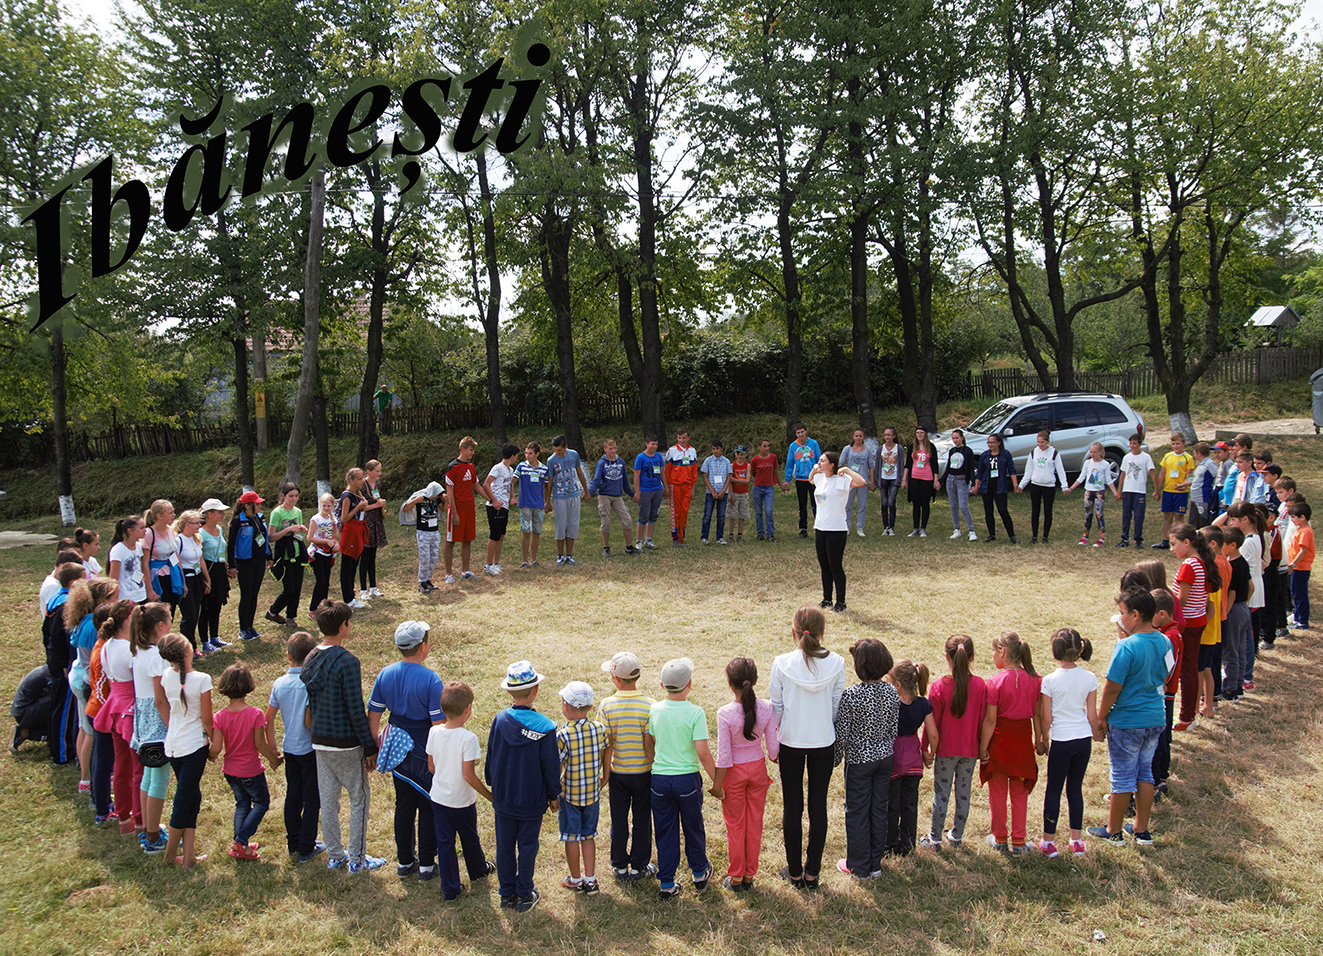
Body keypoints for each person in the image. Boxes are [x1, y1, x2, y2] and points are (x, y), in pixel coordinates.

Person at [301, 599, 383, 872]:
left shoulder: (311, 657)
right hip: (346, 744)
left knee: (329, 800)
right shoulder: (347, 661)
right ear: (343, 626)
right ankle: (357, 860)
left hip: (320, 741)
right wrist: (369, 747)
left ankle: (336, 855)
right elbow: (354, 707)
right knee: (359, 799)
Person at [770, 606, 846, 889]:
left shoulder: (781, 663)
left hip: (790, 739)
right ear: (822, 632)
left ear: (794, 631)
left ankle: (794, 871)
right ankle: (812, 871)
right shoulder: (836, 663)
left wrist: (776, 735)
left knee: (792, 806)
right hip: (823, 740)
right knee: (818, 805)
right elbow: (836, 704)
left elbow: (776, 706)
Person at [1087, 588, 1170, 847]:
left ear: (1135, 614)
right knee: (1145, 773)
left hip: (1127, 721)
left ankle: (1113, 831)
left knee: (1122, 775)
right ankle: (1141, 829)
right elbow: (1166, 674)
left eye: (1122, 613)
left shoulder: (1126, 646)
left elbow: (1113, 686)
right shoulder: (1164, 641)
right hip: (1156, 716)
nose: (1120, 618)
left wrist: (1101, 716)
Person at [368, 620, 444, 880]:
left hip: (396, 747)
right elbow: (438, 725)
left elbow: (374, 716)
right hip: (424, 747)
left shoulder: (385, 674)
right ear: (423, 646)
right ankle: (426, 864)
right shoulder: (431, 679)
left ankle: (404, 861)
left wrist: (375, 747)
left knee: (404, 804)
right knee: (427, 804)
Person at [486, 661, 562, 913]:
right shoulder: (546, 727)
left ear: (509, 691)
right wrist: (554, 795)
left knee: (504, 845)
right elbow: (551, 766)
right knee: (528, 846)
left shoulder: (499, 720)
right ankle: (525, 892)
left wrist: (492, 782)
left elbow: (491, 755)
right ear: (536, 690)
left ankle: (506, 893)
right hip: (532, 800)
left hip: (504, 797)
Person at [646, 657, 717, 900]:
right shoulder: (695, 713)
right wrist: (717, 780)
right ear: (690, 685)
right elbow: (703, 753)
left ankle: (667, 883)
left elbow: (652, 740)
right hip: (687, 779)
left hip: (660, 781)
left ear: (661, 685)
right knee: (693, 827)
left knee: (665, 830)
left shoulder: (654, 709)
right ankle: (699, 873)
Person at [832, 639, 897, 878]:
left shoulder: (851, 696)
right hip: (885, 757)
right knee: (879, 808)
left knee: (857, 810)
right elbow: (893, 728)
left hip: (859, 761)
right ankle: (875, 864)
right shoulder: (892, 691)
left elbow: (842, 734)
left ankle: (858, 866)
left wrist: (835, 760)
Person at [714, 657, 779, 891]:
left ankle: (737, 876)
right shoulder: (767, 707)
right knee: (755, 823)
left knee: (735, 824)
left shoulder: (725, 713)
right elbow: (773, 750)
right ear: (755, 680)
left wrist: (716, 785)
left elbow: (723, 755)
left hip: (734, 774)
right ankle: (750, 874)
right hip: (758, 770)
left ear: (729, 684)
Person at [426, 682, 495, 901]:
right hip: (462, 802)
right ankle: (477, 870)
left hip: (438, 799)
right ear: (467, 709)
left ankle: (451, 889)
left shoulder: (433, 731)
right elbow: (469, 776)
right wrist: (489, 796)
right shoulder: (468, 738)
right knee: (469, 837)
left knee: (445, 844)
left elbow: (431, 767)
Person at [920, 634, 987, 851]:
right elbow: (982, 720)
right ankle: (957, 836)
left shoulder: (939, 687)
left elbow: (931, 724)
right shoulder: (980, 685)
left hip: (945, 751)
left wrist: (925, 748)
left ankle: (935, 838)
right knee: (963, 793)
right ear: (972, 657)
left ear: (946, 657)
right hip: (969, 750)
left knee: (942, 793)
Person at [211, 662, 282, 861]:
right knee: (261, 803)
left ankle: (239, 844)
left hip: (230, 771)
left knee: (242, 804)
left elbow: (216, 747)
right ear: (248, 685)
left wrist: (208, 755)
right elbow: (260, 744)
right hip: (250, 770)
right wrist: (274, 759)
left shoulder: (219, 716)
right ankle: (240, 841)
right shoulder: (255, 714)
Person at [979, 632, 1042, 856]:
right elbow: (1037, 714)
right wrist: (1040, 738)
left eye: (994, 651)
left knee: (997, 791)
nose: (993, 656)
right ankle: (1018, 841)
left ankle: (999, 837)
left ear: (1003, 652)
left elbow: (990, 720)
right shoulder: (1036, 680)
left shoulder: (995, 681)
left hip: (1000, 743)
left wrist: (983, 747)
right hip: (1023, 743)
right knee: (1019, 791)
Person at [1037, 629, 1098, 858]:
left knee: (1054, 788)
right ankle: (1077, 840)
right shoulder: (1089, 678)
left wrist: (1043, 738)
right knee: (1075, 788)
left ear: (1055, 651)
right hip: (1082, 739)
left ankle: (1049, 841)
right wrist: (1095, 733)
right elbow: (1092, 715)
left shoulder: (1050, 680)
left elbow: (1047, 717)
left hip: (1061, 739)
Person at [265, 631, 324, 863]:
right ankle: (307, 846)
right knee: (312, 799)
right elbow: (309, 720)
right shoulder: (310, 683)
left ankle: (293, 843)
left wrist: (272, 749)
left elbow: (268, 718)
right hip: (310, 749)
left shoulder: (279, 683)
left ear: (288, 655)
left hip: (289, 748)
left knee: (293, 796)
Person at [598, 651, 656, 883]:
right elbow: (649, 742)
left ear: (615, 678)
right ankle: (639, 865)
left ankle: (619, 864)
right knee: (642, 819)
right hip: (644, 773)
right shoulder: (651, 705)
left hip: (618, 774)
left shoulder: (607, 705)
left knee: (619, 819)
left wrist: (605, 774)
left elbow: (607, 744)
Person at [156, 633, 213, 868]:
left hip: (174, 744)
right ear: (188, 650)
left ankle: (189, 857)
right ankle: (170, 857)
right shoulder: (202, 680)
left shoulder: (166, 676)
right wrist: (218, 745)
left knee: (191, 797)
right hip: (193, 747)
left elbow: (164, 705)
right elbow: (208, 720)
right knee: (183, 800)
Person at [94, 599, 144, 837]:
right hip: (131, 710)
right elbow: (139, 682)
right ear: (128, 619)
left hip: (115, 707)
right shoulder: (128, 649)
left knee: (121, 766)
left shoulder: (107, 645)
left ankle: (124, 818)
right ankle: (141, 819)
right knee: (138, 769)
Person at [555, 680, 608, 895]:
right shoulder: (599, 729)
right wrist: (605, 776)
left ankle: (575, 880)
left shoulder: (563, 735)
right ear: (590, 708)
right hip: (592, 794)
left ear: (565, 706)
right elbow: (605, 750)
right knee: (588, 836)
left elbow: (557, 767)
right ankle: (591, 879)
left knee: (571, 836)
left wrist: (553, 793)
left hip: (569, 795)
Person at [130, 603, 173, 853]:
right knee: (159, 779)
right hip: (157, 722)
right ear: (160, 626)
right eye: (169, 621)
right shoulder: (157, 656)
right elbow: (160, 700)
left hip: (143, 720)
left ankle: (149, 828)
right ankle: (154, 838)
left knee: (148, 775)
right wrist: (173, 728)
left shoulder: (138, 650)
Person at [1172, 523, 1220, 731]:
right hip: (1197, 621)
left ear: (1187, 542)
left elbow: (1181, 601)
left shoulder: (1189, 566)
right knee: (1191, 668)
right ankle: (1188, 715)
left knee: (1187, 671)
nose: (1172, 548)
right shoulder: (1201, 563)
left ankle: (1186, 717)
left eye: (1174, 544)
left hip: (1188, 624)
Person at [888, 661, 937, 857]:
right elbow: (932, 733)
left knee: (891, 803)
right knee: (909, 804)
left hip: (893, 755)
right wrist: (929, 752)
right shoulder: (923, 704)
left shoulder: (892, 703)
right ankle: (907, 844)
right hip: (913, 758)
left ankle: (889, 842)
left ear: (897, 685)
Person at [809, 451, 867, 613]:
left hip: (836, 529)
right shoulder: (821, 477)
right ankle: (827, 598)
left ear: (832, 464)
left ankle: (841, 602)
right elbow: (810, 479)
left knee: (835, 565)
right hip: (820, 528)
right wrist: (815, 469)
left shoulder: (841, 479)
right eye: (819, 461)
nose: (819, 463)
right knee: (824, 566)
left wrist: (847, 470)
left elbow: (861, 481)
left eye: (822, 461)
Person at [444, 437, 495, 582]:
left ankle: (465, 571)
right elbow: (450, 493)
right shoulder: (452, 467)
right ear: (463, 449)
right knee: (451, 541)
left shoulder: (471, 467)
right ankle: (448, 574)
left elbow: (477, 486)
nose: (472, 453)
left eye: (473, 450)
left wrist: (490, 499)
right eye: (471, 450)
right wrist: (454, 513)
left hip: (469, 509)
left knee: (467, 540)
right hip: (457, 510)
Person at [227, 490, 272, 639]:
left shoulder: (259, 518)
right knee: (246, 595)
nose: (260, 506)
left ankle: (250, 626)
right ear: (247, 506)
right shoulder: (238, 521)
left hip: (259, 561)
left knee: (254, 594)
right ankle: (243, 628)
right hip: (244, 562)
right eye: (257, 503)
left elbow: (264, 537)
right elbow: (231, 544)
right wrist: (232, 565)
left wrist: (269, 556)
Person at [1015, 431, 1070, 544]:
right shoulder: (1034, 452)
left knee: (1047, 511)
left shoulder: (1054, 453)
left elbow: (1060, 471)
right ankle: (1034, 537)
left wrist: (1065, 486)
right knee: (1035, 511)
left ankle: (1045, 537)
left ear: (1048, 442)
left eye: (1042, 442)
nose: (1040, 444)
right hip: (1035, 485)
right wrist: (1021, 485)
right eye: (1038, 442)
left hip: (1049, 486)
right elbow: (1029, 471)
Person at [266, 482, 308, 627]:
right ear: (283, 496)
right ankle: (272, 612)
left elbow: (297, 532)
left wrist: (300, 528)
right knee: (289, 589)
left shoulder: (298, 511)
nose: (294, 499)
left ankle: (291, 616)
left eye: (296, 496)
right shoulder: (277, 513)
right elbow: (271, 537)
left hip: (297, 552)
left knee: (297, 587)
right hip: (283, 554)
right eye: (290, 496)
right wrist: (287, 529)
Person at [1218, 527, 1252, 702]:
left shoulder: (1232, 566)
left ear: (1232, 545)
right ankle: (1238, 686)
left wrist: (1226, 612)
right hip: (1243, 608)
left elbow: (1231, 593)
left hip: (1233, 610)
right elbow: (1251, 587)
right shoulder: (1243, 562)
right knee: (1239, 649)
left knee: (1230, 651)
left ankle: (1230, 690)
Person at [589, 439, 638, 558]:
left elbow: (625, 481)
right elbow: (596, 480)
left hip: (617, 496)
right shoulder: (602, 463)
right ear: (605, 449)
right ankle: (606, 548)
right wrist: (589, 493)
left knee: (627, 521)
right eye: (610, 448)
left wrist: (632, 495)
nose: (613, 450)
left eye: (615, 448)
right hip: (604, 495)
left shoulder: (620, 462)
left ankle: (629, 547)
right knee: (606, 522)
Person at [547, 434, 589, 565]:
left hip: (574, 495)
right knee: (561, 527)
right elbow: (549, 481)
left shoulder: (573, 455)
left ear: (565, 447)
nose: (557, 452)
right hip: (560, 497)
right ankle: (560, 556)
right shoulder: (551, 460)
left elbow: (580, 473)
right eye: (554, 450)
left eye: (559, 450)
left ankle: (569, 555)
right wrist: (547, 501)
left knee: (572, 525)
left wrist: (586, 491)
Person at [198, 499, 232, 653]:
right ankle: (205, 641)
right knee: (206, 607)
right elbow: (199, 556)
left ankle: (215, 637)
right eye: (219, 512)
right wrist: (206, 579)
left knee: (217, 605)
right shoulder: (200, 533)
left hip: (219, 569)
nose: (223, 514)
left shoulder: (219, 528)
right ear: (209, 514)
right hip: (207, 569)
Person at [1069, 442, 1119, 547]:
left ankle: (1102, 537)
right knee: (1088, 514)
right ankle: (1085, 537)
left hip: (1099, 492)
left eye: (1095, 452)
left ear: (1100, 452)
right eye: (1091, 452)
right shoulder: (1087, 463)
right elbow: (1081, 477)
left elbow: (1108, 480)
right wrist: (1071, 488)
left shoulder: (1105, 464)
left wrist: (1116, 493)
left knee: (1099, 514)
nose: (1092, 454)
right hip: (1088, 491)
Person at [172, 511, 209, 652]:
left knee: (196, 612)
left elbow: (200, 560)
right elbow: (177, 562)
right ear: (187, 525)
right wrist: (183, 584)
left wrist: (207, 579)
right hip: (186, 578)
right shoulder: (178, 540)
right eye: (196, 523)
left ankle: (192, 647)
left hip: (197, 577)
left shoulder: (196, 538)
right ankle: (187, 648)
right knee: (190, 615)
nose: (199, 525)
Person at [973, 432, 1019, 543]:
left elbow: (1012, 470)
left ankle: (1012, 535)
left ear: (998, 443)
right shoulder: (985, 455)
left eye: (993, 442)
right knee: (988, 511)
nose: (990, 444)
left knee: (1002, 510)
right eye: (988, 442)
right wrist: (976, 486)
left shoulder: (1005, 454)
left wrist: (1015, 484)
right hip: (987, 486)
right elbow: (980, 472)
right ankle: (991, 534)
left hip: (1000, 485)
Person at [484, 443, 521, 573]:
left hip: (504, 506)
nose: (517, 458)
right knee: (494, 535)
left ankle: (495, 563)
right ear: (512, 456)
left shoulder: (510, 470)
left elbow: (510, 485)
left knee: (501, 535)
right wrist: (494, 500)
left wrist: (512, 497)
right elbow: (486, 484)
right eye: (516, 455)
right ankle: (488, 565)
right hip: (495, 506)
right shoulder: (497, 468)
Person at [1153, 433, 1194, 549]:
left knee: (1179, 517)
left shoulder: (1188, 458)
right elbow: (1162, 475)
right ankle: (1165, 541)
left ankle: (1180, 541)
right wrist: (1157, 490)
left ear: (1183, 444)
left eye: (1178, 444)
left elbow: (1189, 476)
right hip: (1168, 491)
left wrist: (1183, 485)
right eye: (1173, 444)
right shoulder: (1167, 456)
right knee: (1167, 516)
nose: (1175, 446)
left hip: (1181, 492)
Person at [142, 499, 183, 615]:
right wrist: (149, 589)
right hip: (157, 578)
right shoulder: (149, 534)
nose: (174, 515)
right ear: (160, 516)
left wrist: (182, 580)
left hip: (172, 575)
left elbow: (175, 555)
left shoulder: (170, 530)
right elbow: (144, 563)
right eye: (170, 513)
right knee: (158, 613)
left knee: (171, 611)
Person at [1116, 434, 1157, 549]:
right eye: (1131, 443)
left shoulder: (1146, 457)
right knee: (1126, 515)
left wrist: (1156, 489)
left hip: (1139, 490)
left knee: (1138, 516)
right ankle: (1124, 538)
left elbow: (1152, 472)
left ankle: (1138, 539)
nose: (1132, 446)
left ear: (1140, 444)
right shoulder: (1127, 457)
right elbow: (1123, 474)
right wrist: (1119, 491)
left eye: (1135, 443)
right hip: (1127, 489)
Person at [401, 481, 443, 592]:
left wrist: (445, 500)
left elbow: (443, 509)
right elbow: (405, 508)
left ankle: (428, 580)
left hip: (435, 531)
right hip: (423, 532)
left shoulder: (437, 499)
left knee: (434, 558)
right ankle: (422, 582)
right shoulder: (420, 497)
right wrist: (415, 501)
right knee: (425, 558)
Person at [336, 469, 370, 605]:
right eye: (360, 479)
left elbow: (362, 508)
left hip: (358, 531)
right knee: (347, 566)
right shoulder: (347, 496)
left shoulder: (357, 494)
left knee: (354, 564)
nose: (362, 481)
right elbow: (344, 518)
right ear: (351, 480)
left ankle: (352, 595)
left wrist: (363, 503)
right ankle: (348, 598)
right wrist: (358, 507)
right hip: (349, 533)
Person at [514, 442, 551, 567]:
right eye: (526, 453)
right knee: (526, 531)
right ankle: (524, 560)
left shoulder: (544, 469)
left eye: (530, 453)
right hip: (525, 504)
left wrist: (546, 501)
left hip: (538, 505)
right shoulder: (521, 466)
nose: (527, 456)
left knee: (536, 532)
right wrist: (511, 496)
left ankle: (533, 559)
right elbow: (513, 481)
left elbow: (546, 487)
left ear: (537, 454)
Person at [358, 459, 389, 602]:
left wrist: (380, 506)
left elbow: (377, 500)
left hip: (376, 520)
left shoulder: (377, 484)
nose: (379, 473)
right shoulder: (362, 485)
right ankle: (363, 589)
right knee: (365, 556)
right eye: (377, 471)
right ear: (368, 471)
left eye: (380, 470)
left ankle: (373, 587)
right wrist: (377, 505)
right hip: (366, 521)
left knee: (372, 556)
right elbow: (362, 507)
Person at [784, 423, 821, 538]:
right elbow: (790, 464)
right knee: (802, 505)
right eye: (798, 433)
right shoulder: (793, 446)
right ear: (796, 434)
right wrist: (787, 480)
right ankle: (803, 529)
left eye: (802, 432)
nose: (801, 434)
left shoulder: (813, 444)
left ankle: (819, 527)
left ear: (806, 432)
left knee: (816, 504)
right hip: (800, 478)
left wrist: (821, 474)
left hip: (814, 478)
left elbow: (820, 459)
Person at [664, 428, 701, 545]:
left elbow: (694, 470)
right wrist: (667, 487)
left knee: (685, 511)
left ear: (688, 438)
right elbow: (667, 470)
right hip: (675, 485)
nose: (681, 440)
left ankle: (681, 537)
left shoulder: (692, 451)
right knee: (676, 512)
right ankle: (674, 538)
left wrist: (693, 487)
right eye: (679, 438)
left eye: (684, 438)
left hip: (688, 486)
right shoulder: (672, 451)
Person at [903, 426, 940, 537]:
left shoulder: (931, 447)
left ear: (925, 434)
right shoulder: (912, 447)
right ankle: (915, 529)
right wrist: (904, 479)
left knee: (925, 503)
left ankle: (923, 528)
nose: (919, 434)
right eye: (917, 432)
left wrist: (936, 480)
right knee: (916, 504)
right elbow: (908, 464)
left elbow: (935, 464)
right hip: (914, 478)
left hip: (927, 478)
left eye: (921, 432)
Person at [632, 435, 668, 549]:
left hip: (657, 489)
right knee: (643, 516)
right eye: (652, 444)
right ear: (646, 444)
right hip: (645, 490)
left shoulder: (658, 457)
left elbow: (662, 472)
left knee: (654, 515)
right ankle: (638, 541)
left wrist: (666, 487)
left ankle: (649, 540)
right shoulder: (641, 458)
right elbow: (636, 475)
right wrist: (637, 492)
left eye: (656, 444)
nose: (654, 446)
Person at [943, 429, 978, 541]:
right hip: (951, 479)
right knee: (953, 505)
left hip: (962, 480)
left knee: (963, 506)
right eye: (953, 438)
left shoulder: (968, 451)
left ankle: (971, 530)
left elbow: (971, 468)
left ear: (962, 438)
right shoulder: (952, 451)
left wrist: (972, 481)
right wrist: (941, 481)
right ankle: (956, 529)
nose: (955, 440)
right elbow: (949, 467)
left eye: (957, 438)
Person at [11, 665, 55, 753]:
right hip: (25, 713)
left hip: (26, 711)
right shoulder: (51, 672)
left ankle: (24, 733)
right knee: (61, 699)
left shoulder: (50, 669)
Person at [306, 492, 339, 609]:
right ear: (320, 505)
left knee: (326, 582)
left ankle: (323, 606)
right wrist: (325, 541)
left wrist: (335, 543)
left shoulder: (332, 519)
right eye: (323, 505)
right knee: (320, 581)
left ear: (332, 506)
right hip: (317, 553)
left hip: (327, 553)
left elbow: (334, 535)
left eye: (328, 506)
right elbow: (310, 538)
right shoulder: (316, 519)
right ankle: (313, 607)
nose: (326, 508)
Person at [840, 429, 874, 537]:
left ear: (863, 437)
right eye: (856, 436)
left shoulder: (867, 450)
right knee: (847, 505)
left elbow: (871, 466)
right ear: (853, 437)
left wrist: (872, 481)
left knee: (862, 506)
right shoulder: (847, 449)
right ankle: (847, 527)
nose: (858, 438)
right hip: (849, 482)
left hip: (863, 481)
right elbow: (840, 464)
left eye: (860, 436)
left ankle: (860, 527)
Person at [873, 426, 906, 536]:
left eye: (889, 435)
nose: (887, 437)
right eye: (885, 434)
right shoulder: (880, 449)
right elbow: (877, 465)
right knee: (884, 502)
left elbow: (901, 463)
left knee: (891, 502)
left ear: (894, 436)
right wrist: (876, 480)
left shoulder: (898, 448)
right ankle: (885, 526)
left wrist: (901, 479)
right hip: (883, 478)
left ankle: (891, 527)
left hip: (894, 478)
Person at [107, 515, 147, 603]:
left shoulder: (138, 546)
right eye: (141, 528)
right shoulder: (118, 550)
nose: (145, 530)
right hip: (126, 598)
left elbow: (139, 570)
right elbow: (113, 579)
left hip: (141, 595)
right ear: (130, 531)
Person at [700, 439, 732, 545]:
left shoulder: (726, 461)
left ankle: (719, 537)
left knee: (721, 516)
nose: (715, 451)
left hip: (723, 492)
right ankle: (704, 537)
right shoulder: (708, 461)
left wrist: (723, 491)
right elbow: (705, 476)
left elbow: (728, 477)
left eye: (717, 449)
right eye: (713, 449)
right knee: (707, 515)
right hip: (711, 492)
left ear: (721, 449)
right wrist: (712, 491)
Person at [1287, 501, 1313, 631]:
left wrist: (1294, 563)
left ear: (1302, 517)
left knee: (1300, 595)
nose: (1291, 520)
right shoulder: (1300, 530)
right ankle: (1297, 618)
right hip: (1297, 568)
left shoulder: (1305, 532)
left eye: (1293, 517)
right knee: (1295, 594)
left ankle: (1303, 621)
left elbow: (1303, 550)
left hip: (1301, 568)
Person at [750, 438, 780, 541]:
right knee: (758, 512)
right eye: (764, 446)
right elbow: (753, 473)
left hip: (769, 487)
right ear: (759, 447)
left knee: (768, 511)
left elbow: (776, 471)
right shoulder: (755, 460)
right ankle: (760, 533)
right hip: (757, 487)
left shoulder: (773, 457)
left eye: (768, 446)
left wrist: (780, 484)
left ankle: (770, 534)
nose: (767, 448)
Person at [1188, 441, 1218, 529]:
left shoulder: (1209, 464)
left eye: (1194, 453)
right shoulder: (1201, 464)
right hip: (1195, 498)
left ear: (1199, 453)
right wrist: (1184, 484)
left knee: (1202, 523)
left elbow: (1217, 476)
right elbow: (1195, 477)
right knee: (1193, 523)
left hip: (1203, 498)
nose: (1194, 455)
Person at [728, 445, 753, 542]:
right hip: (734, 492)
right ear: (735, 454)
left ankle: (740, 534)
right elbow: (729, 481)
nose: (739, 456)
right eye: (738, 453)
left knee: (742, 515)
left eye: (742, 454)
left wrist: (734, 479)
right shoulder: (732, 465)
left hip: (744, 493)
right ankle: (730, 534)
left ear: (745, 455)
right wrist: (731, 494)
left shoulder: (747, 465)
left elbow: (747, 480)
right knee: (732, 515)